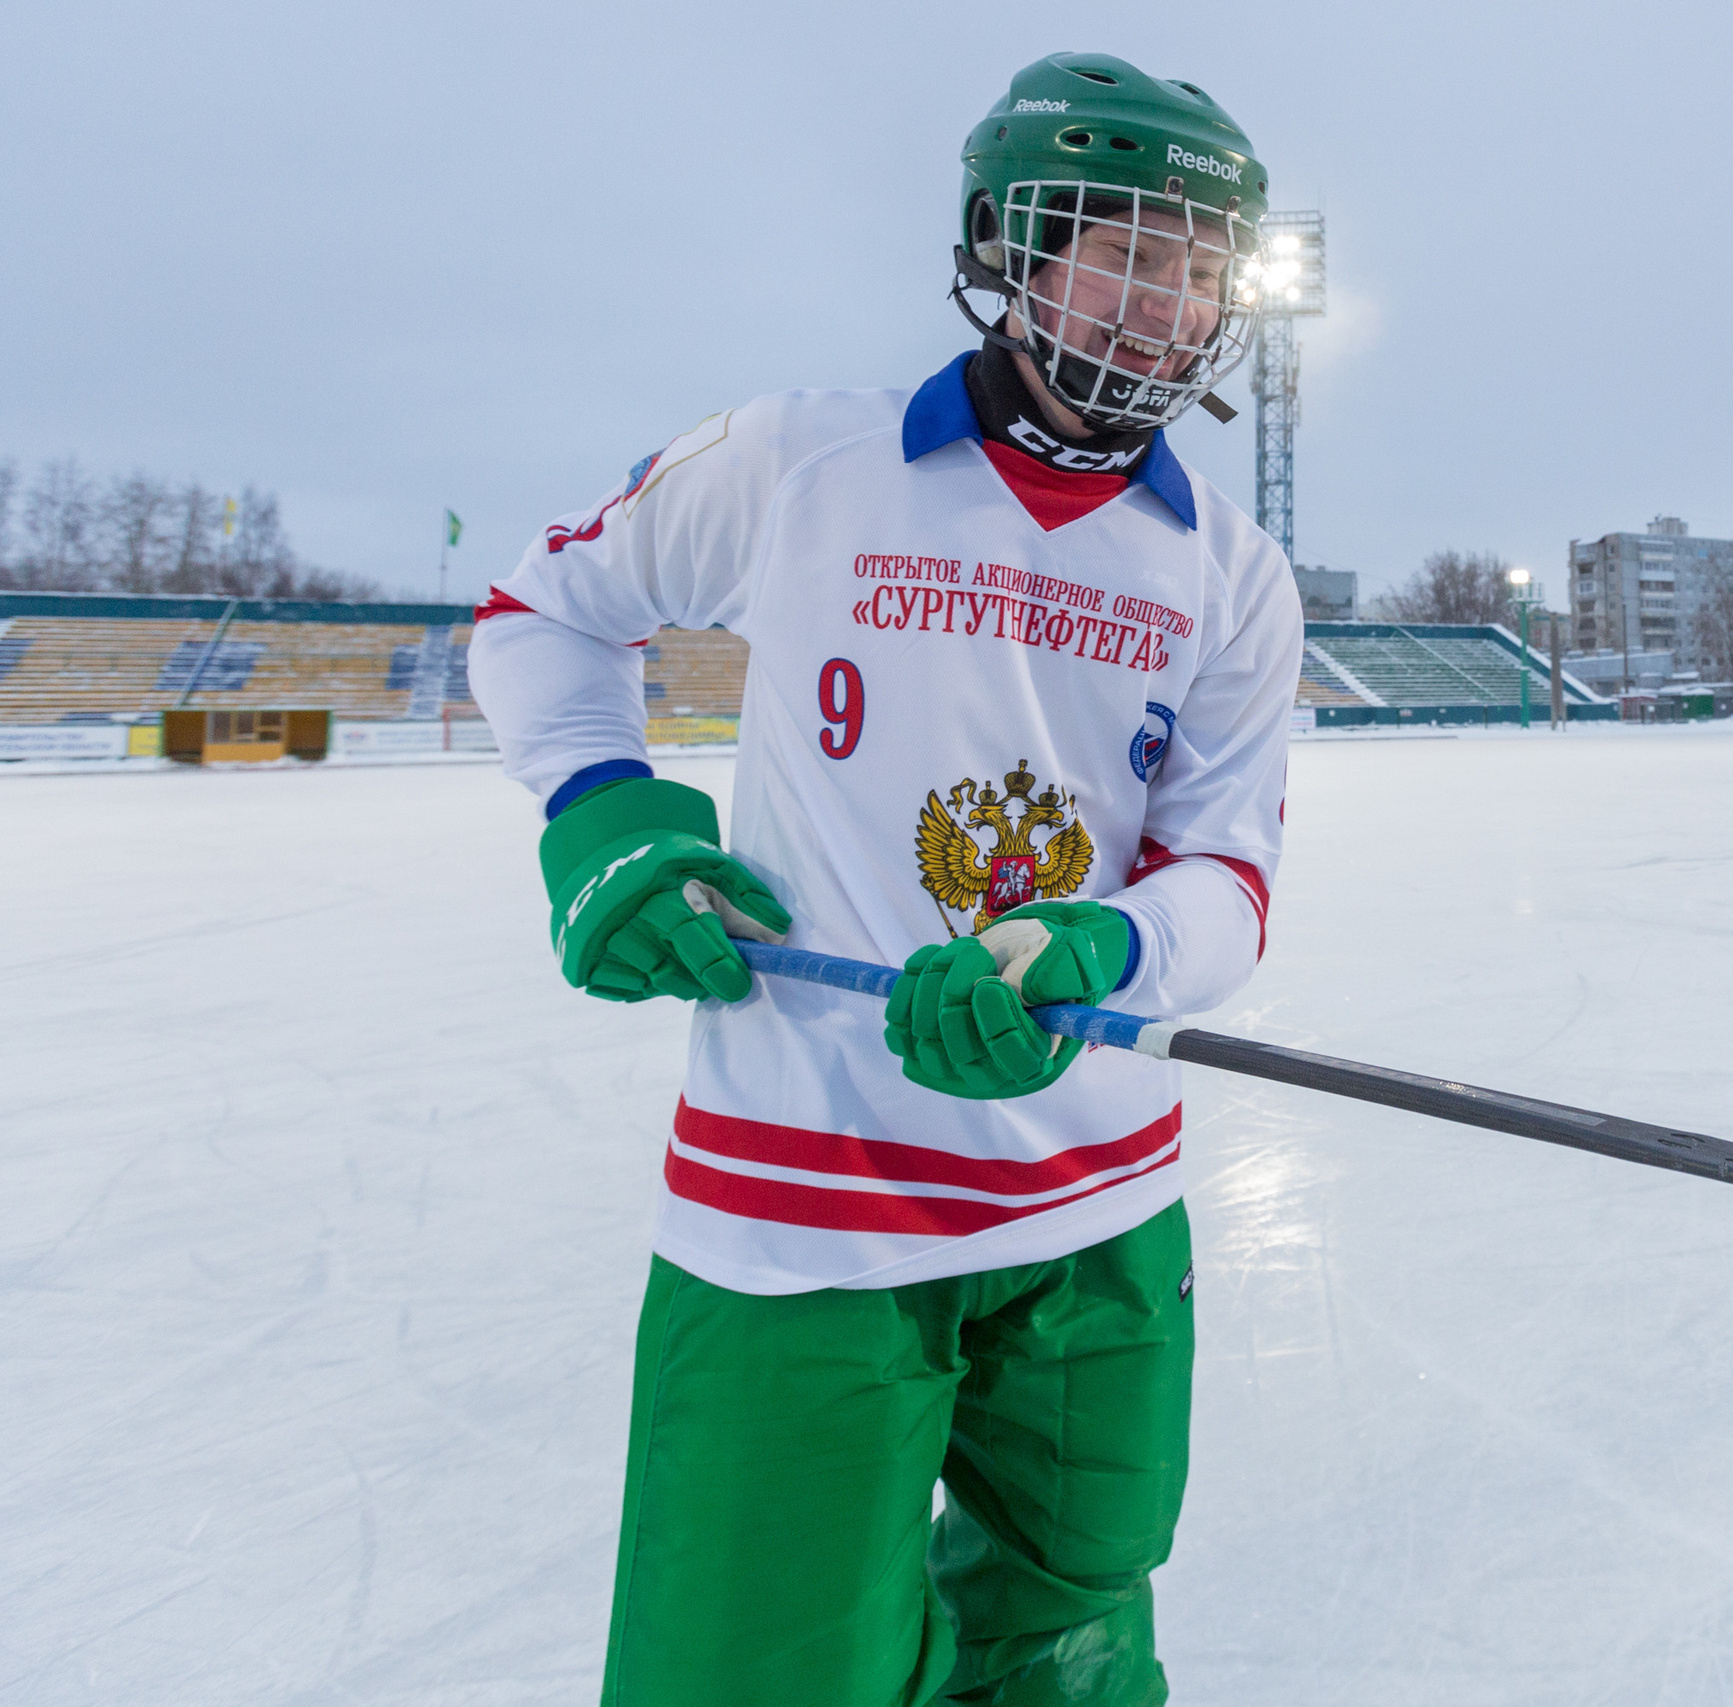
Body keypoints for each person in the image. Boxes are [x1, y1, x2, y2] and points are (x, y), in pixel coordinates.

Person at [468, 53, 1298, 1707]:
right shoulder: (802, 462)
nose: (1165, 303)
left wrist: (1100, 952)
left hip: (1099, 1210)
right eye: (1123, 248)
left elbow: (1230, 880)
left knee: (1068, 1645)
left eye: (1201, 268)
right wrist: (601, 818)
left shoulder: (1231, 565)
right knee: (750, 1672)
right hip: (803, 1206)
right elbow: (544, 610)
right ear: (1008, 244)